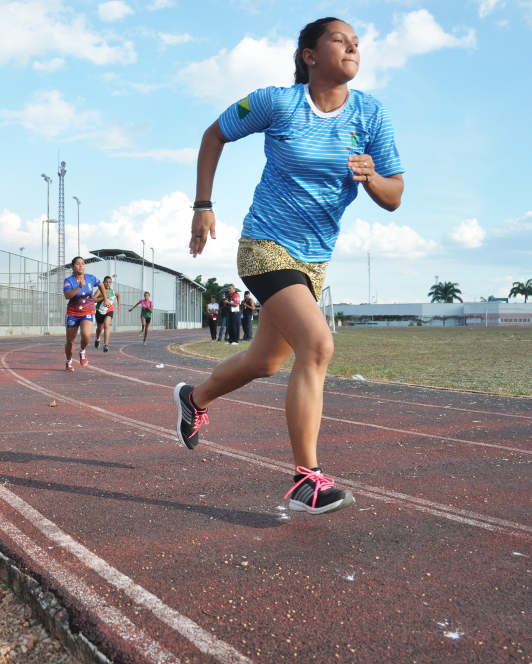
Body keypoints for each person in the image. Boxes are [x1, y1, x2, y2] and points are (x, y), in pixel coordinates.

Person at [173, 17, 404, 514]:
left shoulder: (371, 115)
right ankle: (307, 479)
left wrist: (370, 177)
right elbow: (214, 136)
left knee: (266, 362)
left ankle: (195, 399)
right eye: (339, 40)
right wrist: (202, 204)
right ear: (310, 55)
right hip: (265, 244)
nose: (353, 48)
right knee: (318, 345)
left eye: (357, 43)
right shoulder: (278, 102)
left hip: (315, 259)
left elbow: (395, 195)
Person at [63, 257, 106, 371]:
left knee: (86, 335)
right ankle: (68, 361)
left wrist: (105, 299)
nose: (81, 265)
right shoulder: (69, 280)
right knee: (70, 341)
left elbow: (101, 285)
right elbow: (67, 295)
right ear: (73, 267)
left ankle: (82, 351)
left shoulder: (91, 278)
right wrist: (79, 286)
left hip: (88, 311)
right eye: (78, 264)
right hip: (72, 313)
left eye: (82, 263)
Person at [93, 276, 120, 352]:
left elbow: (118, 295)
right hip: (99, 311)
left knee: (106, 325)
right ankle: (97, 338)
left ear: (111, 283)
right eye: (106, 282)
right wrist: (104, 298)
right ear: (103, 282)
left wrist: (118, 305)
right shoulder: (99, 291)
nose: (108, 283)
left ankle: (106, 345)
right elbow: (93, 299)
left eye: (109, 282)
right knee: (99, 329)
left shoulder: (113, 291)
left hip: (109, 310)